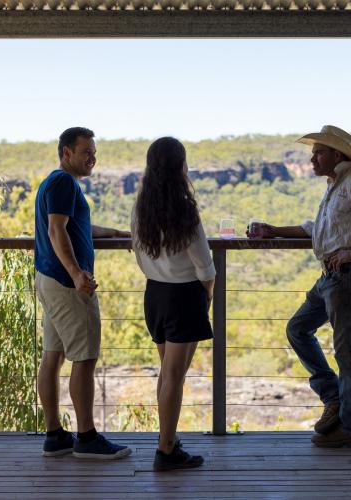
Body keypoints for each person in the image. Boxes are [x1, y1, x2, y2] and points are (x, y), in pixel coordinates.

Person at [248, 125, 351, 448]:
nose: (312, 158)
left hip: (346, 274)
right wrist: (274, 230)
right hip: (332, 275)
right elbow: (320, 230)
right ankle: (334, 398)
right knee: (298, 329)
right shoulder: (336, 185)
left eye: (318, 152)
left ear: (337, 155)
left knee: (348, 351)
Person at [34, 127, 132, 459]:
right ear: (66, 152)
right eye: (85, 151)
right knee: (85, 358)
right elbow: (56, 229)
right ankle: (87, 438)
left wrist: (118, 234)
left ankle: (55, 435)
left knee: (53, 356)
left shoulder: (54, 183)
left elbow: (78, 227)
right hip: (66, 283)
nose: (92, 157)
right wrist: (77, 273)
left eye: (94, 152)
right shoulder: (64, 183)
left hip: (48, 279)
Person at [131, 137, 215, 471]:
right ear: (181, 167)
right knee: (174, 378)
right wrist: (205, 297)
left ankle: (168, 439)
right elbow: (205, 267)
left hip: (155, 295)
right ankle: (166, 450)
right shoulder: (185, 211)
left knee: (166, 375)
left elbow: (139, 255)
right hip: (184, 296)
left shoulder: (141, 209)